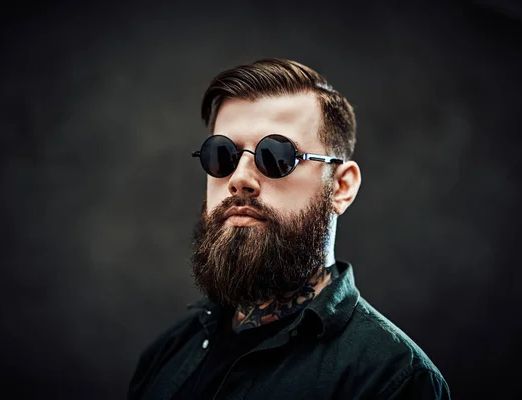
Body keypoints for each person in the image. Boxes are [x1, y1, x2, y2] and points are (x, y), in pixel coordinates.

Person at [128, 58, 451, 399]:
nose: (239, 179)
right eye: (221, 154)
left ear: (341, 187)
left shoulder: (392, 380)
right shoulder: (167, 354)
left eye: (276, 155)